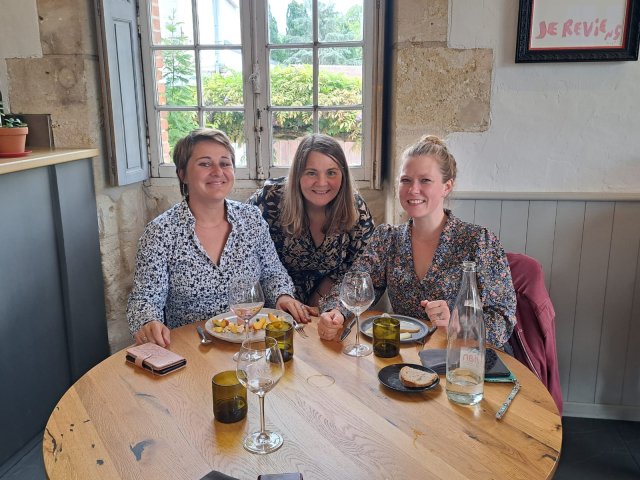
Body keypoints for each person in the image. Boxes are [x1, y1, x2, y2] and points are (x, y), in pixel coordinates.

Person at [317, 135, 516, 350]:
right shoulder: (387, 239)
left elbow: (503, 319)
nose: (413, 189)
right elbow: (354, 286)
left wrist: (457, 323)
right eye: (406, 180)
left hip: (465, 361)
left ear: (447, 186)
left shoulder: (477, 242)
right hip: (405, 359)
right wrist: (334, 313)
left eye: (425, 180)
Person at [127, 128, 306, 346]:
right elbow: (144, 299)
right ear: (182, 173)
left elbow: (272, 273)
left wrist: (282, 296)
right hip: (194, 348)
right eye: (205, 163)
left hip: (254, 341)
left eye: (225, 163)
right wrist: (148, 321)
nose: (217, 171)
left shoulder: (251, 218)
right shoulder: (161, 232)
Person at [248, 133, 375, 311]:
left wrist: (322, 300)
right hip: (275, 304)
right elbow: (247, 258)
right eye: (311, 173)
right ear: (297, 174)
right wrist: (283, 297)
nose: (322, 182)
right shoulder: (268, 199)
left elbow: (363, 266)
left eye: (331, 172)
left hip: (333, 303)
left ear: (343, 175)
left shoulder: (355, 208)